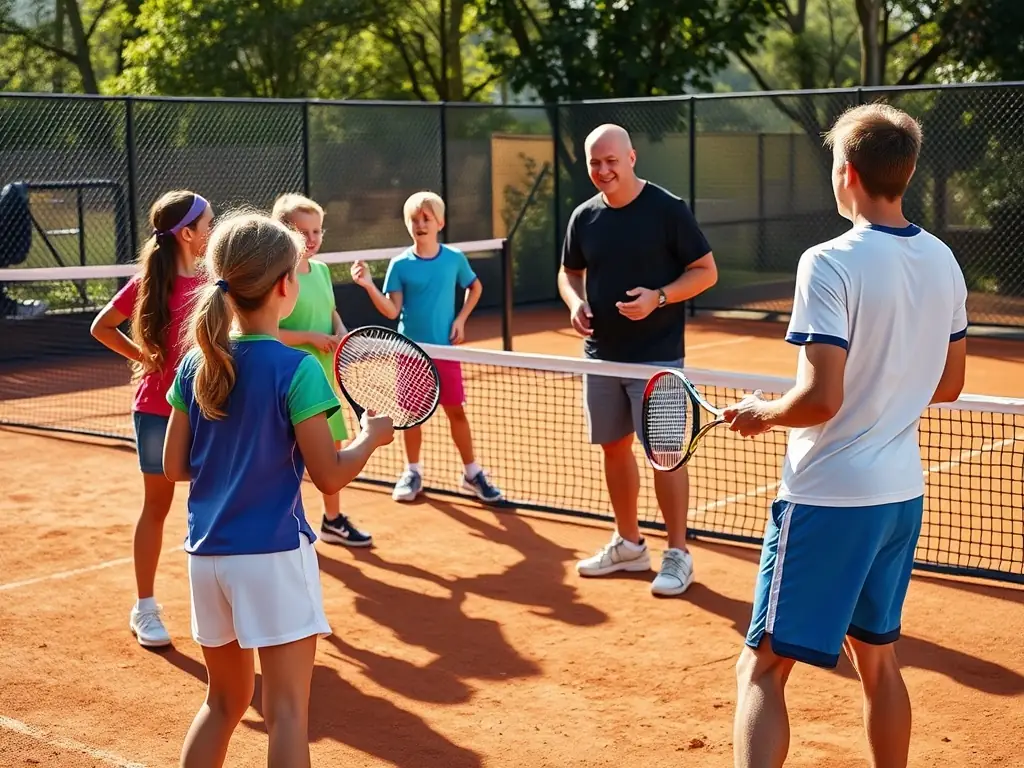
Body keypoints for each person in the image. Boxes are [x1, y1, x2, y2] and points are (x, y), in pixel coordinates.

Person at [724, 103, 968, 768]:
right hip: (899, 499)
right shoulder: (944, 260)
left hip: (827, 499)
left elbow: (820, 398)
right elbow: (948, 385)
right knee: (880, 663)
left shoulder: (828, 262)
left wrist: (762, 412)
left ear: (847, 175)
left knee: (763, 669)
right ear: (908, 171)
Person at [162, 211, 394, 768]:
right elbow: (330, 474)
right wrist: (369, 438)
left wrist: (237, 457)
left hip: (207, 558)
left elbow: (174, 466)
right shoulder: (297, 369)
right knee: (288, 711)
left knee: (223, 703)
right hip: (271, 556)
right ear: (287, 284)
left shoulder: (198, 362)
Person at [558, 124, 717, 597]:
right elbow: (569, 272)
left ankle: (678, 553)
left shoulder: (668, 211)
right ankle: (629, 545)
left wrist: (660, 297)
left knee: (666, 456)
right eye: (594, 163)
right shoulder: (583, 217)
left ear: (631, 158)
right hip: (603, 359)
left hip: (659, 361)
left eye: (611, 160)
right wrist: (574, 302)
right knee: (613, 448)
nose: (603, 170)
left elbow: (706, 272)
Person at [90, 189, 213, 648]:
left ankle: (221, 607)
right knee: (158, 509)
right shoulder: (151, 280)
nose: (211, 231)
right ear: (187, 234)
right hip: (157, 410)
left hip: (209, 411)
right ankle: (145, 608)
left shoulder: (213, 283)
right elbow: (102, 325)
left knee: (210, 508)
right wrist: (144, 355)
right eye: (207, 224)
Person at [349, 190, 503, 505]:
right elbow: (392, 311)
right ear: (408, 225)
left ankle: (471, 473)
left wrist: (461, 318)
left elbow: (475, 287)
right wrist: (368, 285)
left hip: (446, 352)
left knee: (456, 412)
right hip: (410, 352)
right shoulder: (400, 265)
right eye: (415, 219)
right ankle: (413, 471)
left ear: (440, 222)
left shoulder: (454, 259)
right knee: (413, 416)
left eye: (426, 218)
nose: (420, 224)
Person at [272, 193, 372, 548]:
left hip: (323, 379)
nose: (312, 238)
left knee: (332, 449)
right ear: (284, 232)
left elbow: (331, 311)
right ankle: (285, 522)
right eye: (304, 231)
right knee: (287, 458)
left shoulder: (324, 270)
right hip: (288, 382)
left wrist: (341, 331)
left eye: (317, 231)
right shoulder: (275, 277)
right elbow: (267, 332)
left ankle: (332, 520)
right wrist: (312, 337)